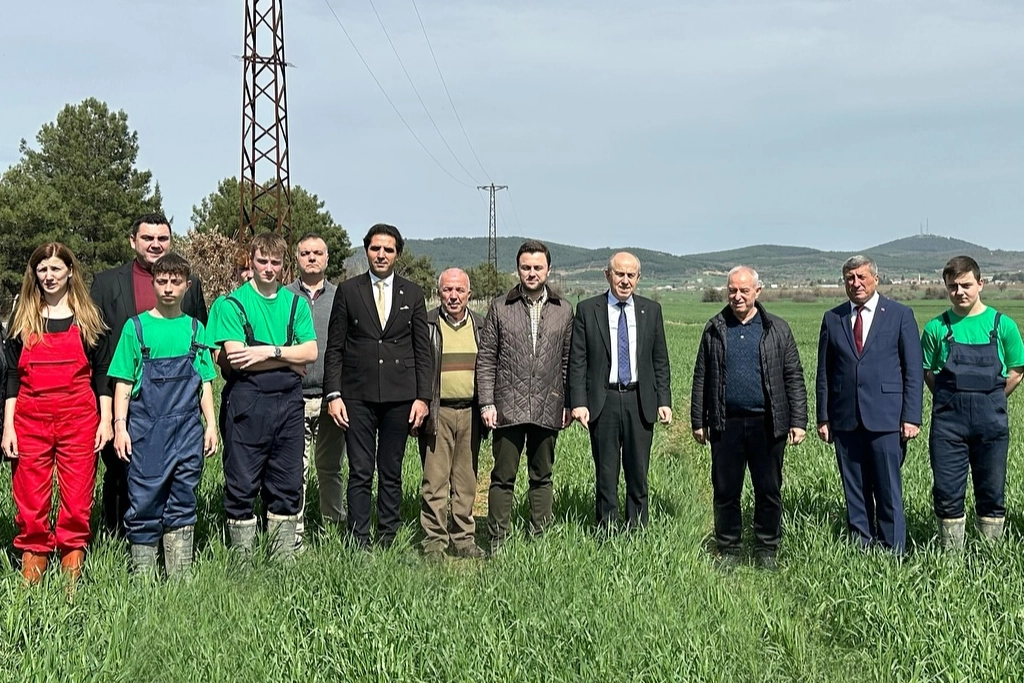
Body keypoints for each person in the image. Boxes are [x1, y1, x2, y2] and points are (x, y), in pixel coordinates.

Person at [90, 213, 208, 537]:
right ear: (133, 241)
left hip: (176, 406)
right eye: (147, 238)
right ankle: (117, 539)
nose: (155, 244)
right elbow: (97, 349)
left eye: (162, 238)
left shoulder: (190, 284)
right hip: (121, 395)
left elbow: (199, 345)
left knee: (174, 480)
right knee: (119, 472)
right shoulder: (106, 283)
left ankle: (168, 543)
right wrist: (108, 412)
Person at [1, 243, 113, 584]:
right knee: (30, 496)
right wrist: (8, 427)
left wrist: (106, 420)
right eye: (42, 269)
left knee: (77, 497)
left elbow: (102, 373)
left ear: (69, 272)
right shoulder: (23, 319)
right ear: (34, 274)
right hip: (29, 418)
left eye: (55, 269)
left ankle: (71, 563)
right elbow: (11, 376)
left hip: (79, 418)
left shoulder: (88, 319)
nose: (49, 276)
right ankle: (33, 560)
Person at [207, 232, 317, 557]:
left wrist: (266, 351)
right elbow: (237, 358)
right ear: (252, 261)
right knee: (242, 484)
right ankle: (242, 563)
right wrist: (289, 359)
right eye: (262, 261)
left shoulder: (295, 303)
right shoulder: (233, 304)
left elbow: (311, 352)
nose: (269, 268)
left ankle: (282, 560)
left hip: (289, 406)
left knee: (287, 483)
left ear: (284, 265)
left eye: (275, 262)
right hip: (247, 402)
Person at [108, 254, 218, 576]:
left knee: (183, 499)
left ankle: (179, 581)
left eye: (175, 282)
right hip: (146, 433)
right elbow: (123, 383)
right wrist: (120, 426)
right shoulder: (136, 328)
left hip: (187, 432)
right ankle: (143, 582)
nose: (168, 288)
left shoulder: (196, 329)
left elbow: (205, 382)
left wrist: (211, 425)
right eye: (162, 281)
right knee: (144, 501)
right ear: (153, 284)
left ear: (187, 285)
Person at [690, 266, 807, 569]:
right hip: (725, 423)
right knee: (726, 490)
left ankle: (766, 548)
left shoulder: (777, 328)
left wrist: (798, 421)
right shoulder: (714, 328)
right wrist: (698, 420)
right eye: (732, 290)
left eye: (744, 290)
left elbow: (793, 376)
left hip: (767, 423)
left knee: (768, 490)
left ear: (758, 291)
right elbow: (701, 376)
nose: (737, 296)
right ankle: (729, 548)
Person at [323, 223, 431, 550]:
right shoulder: (348, 290)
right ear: (366, 250)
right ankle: (358, 539)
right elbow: (335, 347)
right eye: (375, 248)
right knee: (359, 470)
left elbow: (422, 350)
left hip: (400, 396)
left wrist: (423, 398)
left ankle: (388, 536)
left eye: (388, 249)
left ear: (398, 254)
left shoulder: (413, 294)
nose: (381, 254)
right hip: (356, 395)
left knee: (391, 470)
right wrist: (333, 394)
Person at [816, 255, 923, 554]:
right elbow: (824, 372)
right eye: (850, 278)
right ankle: (861, 546)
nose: (856, 283)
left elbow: (913, 370)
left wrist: (911, 416)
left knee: (888, 489)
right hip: (845, 418)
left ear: (875, 278)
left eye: (861, 277)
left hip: (887, 418)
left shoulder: (899, 315)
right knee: (854, 489)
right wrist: (823, 416)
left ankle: (893, 549)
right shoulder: (833, 318)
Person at [476, 240, 574, 555]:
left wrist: (568, 402)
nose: (532, 273)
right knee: (503, 477)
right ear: (517, 269)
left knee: (542, 476)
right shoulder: (500, 307)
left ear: (548, 270)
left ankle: (540, 539)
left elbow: (568, 361)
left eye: (537, 267)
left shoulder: (563, 309)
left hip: (549, 404)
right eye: (526, 267)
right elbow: (486, 359)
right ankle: (497, 541)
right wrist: (487, 402)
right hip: (507, 406)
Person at [921, 256, 1024, 548]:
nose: (959, 292)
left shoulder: (1002, 325)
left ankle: (989, 554)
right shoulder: (936, 328)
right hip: (948, 425)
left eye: (966, 285)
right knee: (946, 492)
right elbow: (927, 372)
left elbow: (1017, 370)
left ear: (980, 284)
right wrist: (950, 398)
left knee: (991, 491)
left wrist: (992, 398)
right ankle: (951, 560)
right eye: (952, 286)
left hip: (991, 424)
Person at [569, 252, 672, 534]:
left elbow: (660, 360)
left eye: (630, 275)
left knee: (638, 471)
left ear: (638, 278)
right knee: (606, 471)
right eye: (619, 274)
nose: (625, 281)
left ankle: (637, 529)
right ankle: (607, 530)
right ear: (608, 275)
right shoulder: (588, 309)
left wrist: (664, 400)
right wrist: (578, 402)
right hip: (604, 401)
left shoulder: (651, 310)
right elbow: (578, 361)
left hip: (640, 400)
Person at [416, 268, 488, 559]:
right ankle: (434, 541)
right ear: (439, 293)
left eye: (459, 290)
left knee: (466, 480)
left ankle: (463, 538)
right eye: (447, 290)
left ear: (469, 294)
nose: (453, 296)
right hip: (438, 411)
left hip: (471, 411)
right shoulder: (426, 325)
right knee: (434, 481)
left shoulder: (481, 326)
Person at [284, 233, 348, 550]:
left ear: (327, 258)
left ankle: (332, 532)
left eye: (317, 253)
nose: (311, 257)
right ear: (296, 258)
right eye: (305, 252)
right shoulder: (282, 297)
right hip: (292, 397)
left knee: (330, 468)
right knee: (295, 470)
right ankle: (293, 538)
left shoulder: (342, 297)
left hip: (331, 398)